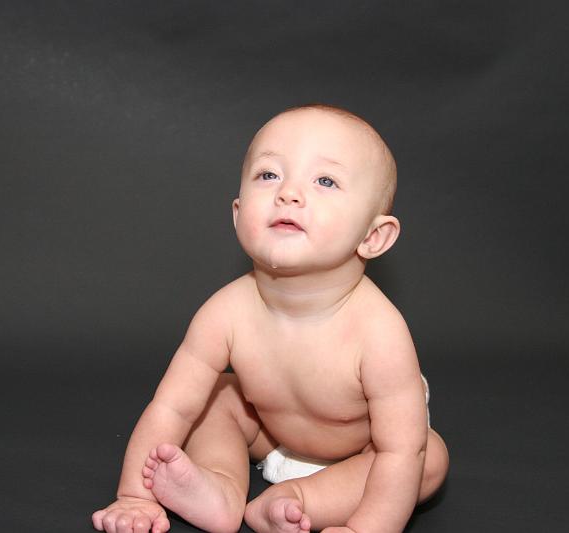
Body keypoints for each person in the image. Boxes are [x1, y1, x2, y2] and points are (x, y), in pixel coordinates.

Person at [92, 104, 449, 533]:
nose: (288, 193)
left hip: (362, 456)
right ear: (238, 213)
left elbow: (398, 451)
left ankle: (298, 500)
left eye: (325, 181)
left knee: (425, 457)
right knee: (218, 398)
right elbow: (170, 407)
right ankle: (220, 488)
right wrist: (135, 496)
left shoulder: (380, 332)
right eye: (269, 175)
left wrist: (369, 529)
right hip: (271, 434)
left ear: (373, 236)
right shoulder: (225, 312)